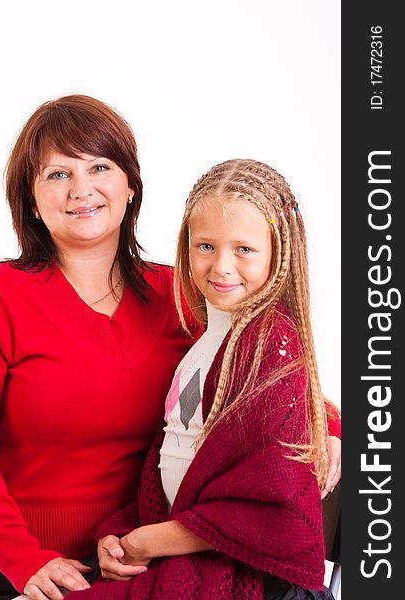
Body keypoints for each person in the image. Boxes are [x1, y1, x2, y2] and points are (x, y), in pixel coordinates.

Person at [0, 97, 340, 600]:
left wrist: (326, 423)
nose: (81, 189)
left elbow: (262, 373)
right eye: (57, 174)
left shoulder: (185, 295)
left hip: (144, 561)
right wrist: (20, 557)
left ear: (130, 186)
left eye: (99, 167)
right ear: (31, 196)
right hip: (20, 571)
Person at [66, 158, 341, 600]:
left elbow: (274, 509)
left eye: (244, 249)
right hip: (178, 545)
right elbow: (176, 452)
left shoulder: (269, 345)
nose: (222, 267)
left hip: (237, 573)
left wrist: (147, 540)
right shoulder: (207, 336)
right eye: (206, 246)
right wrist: (123, 532)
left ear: (279, 250)